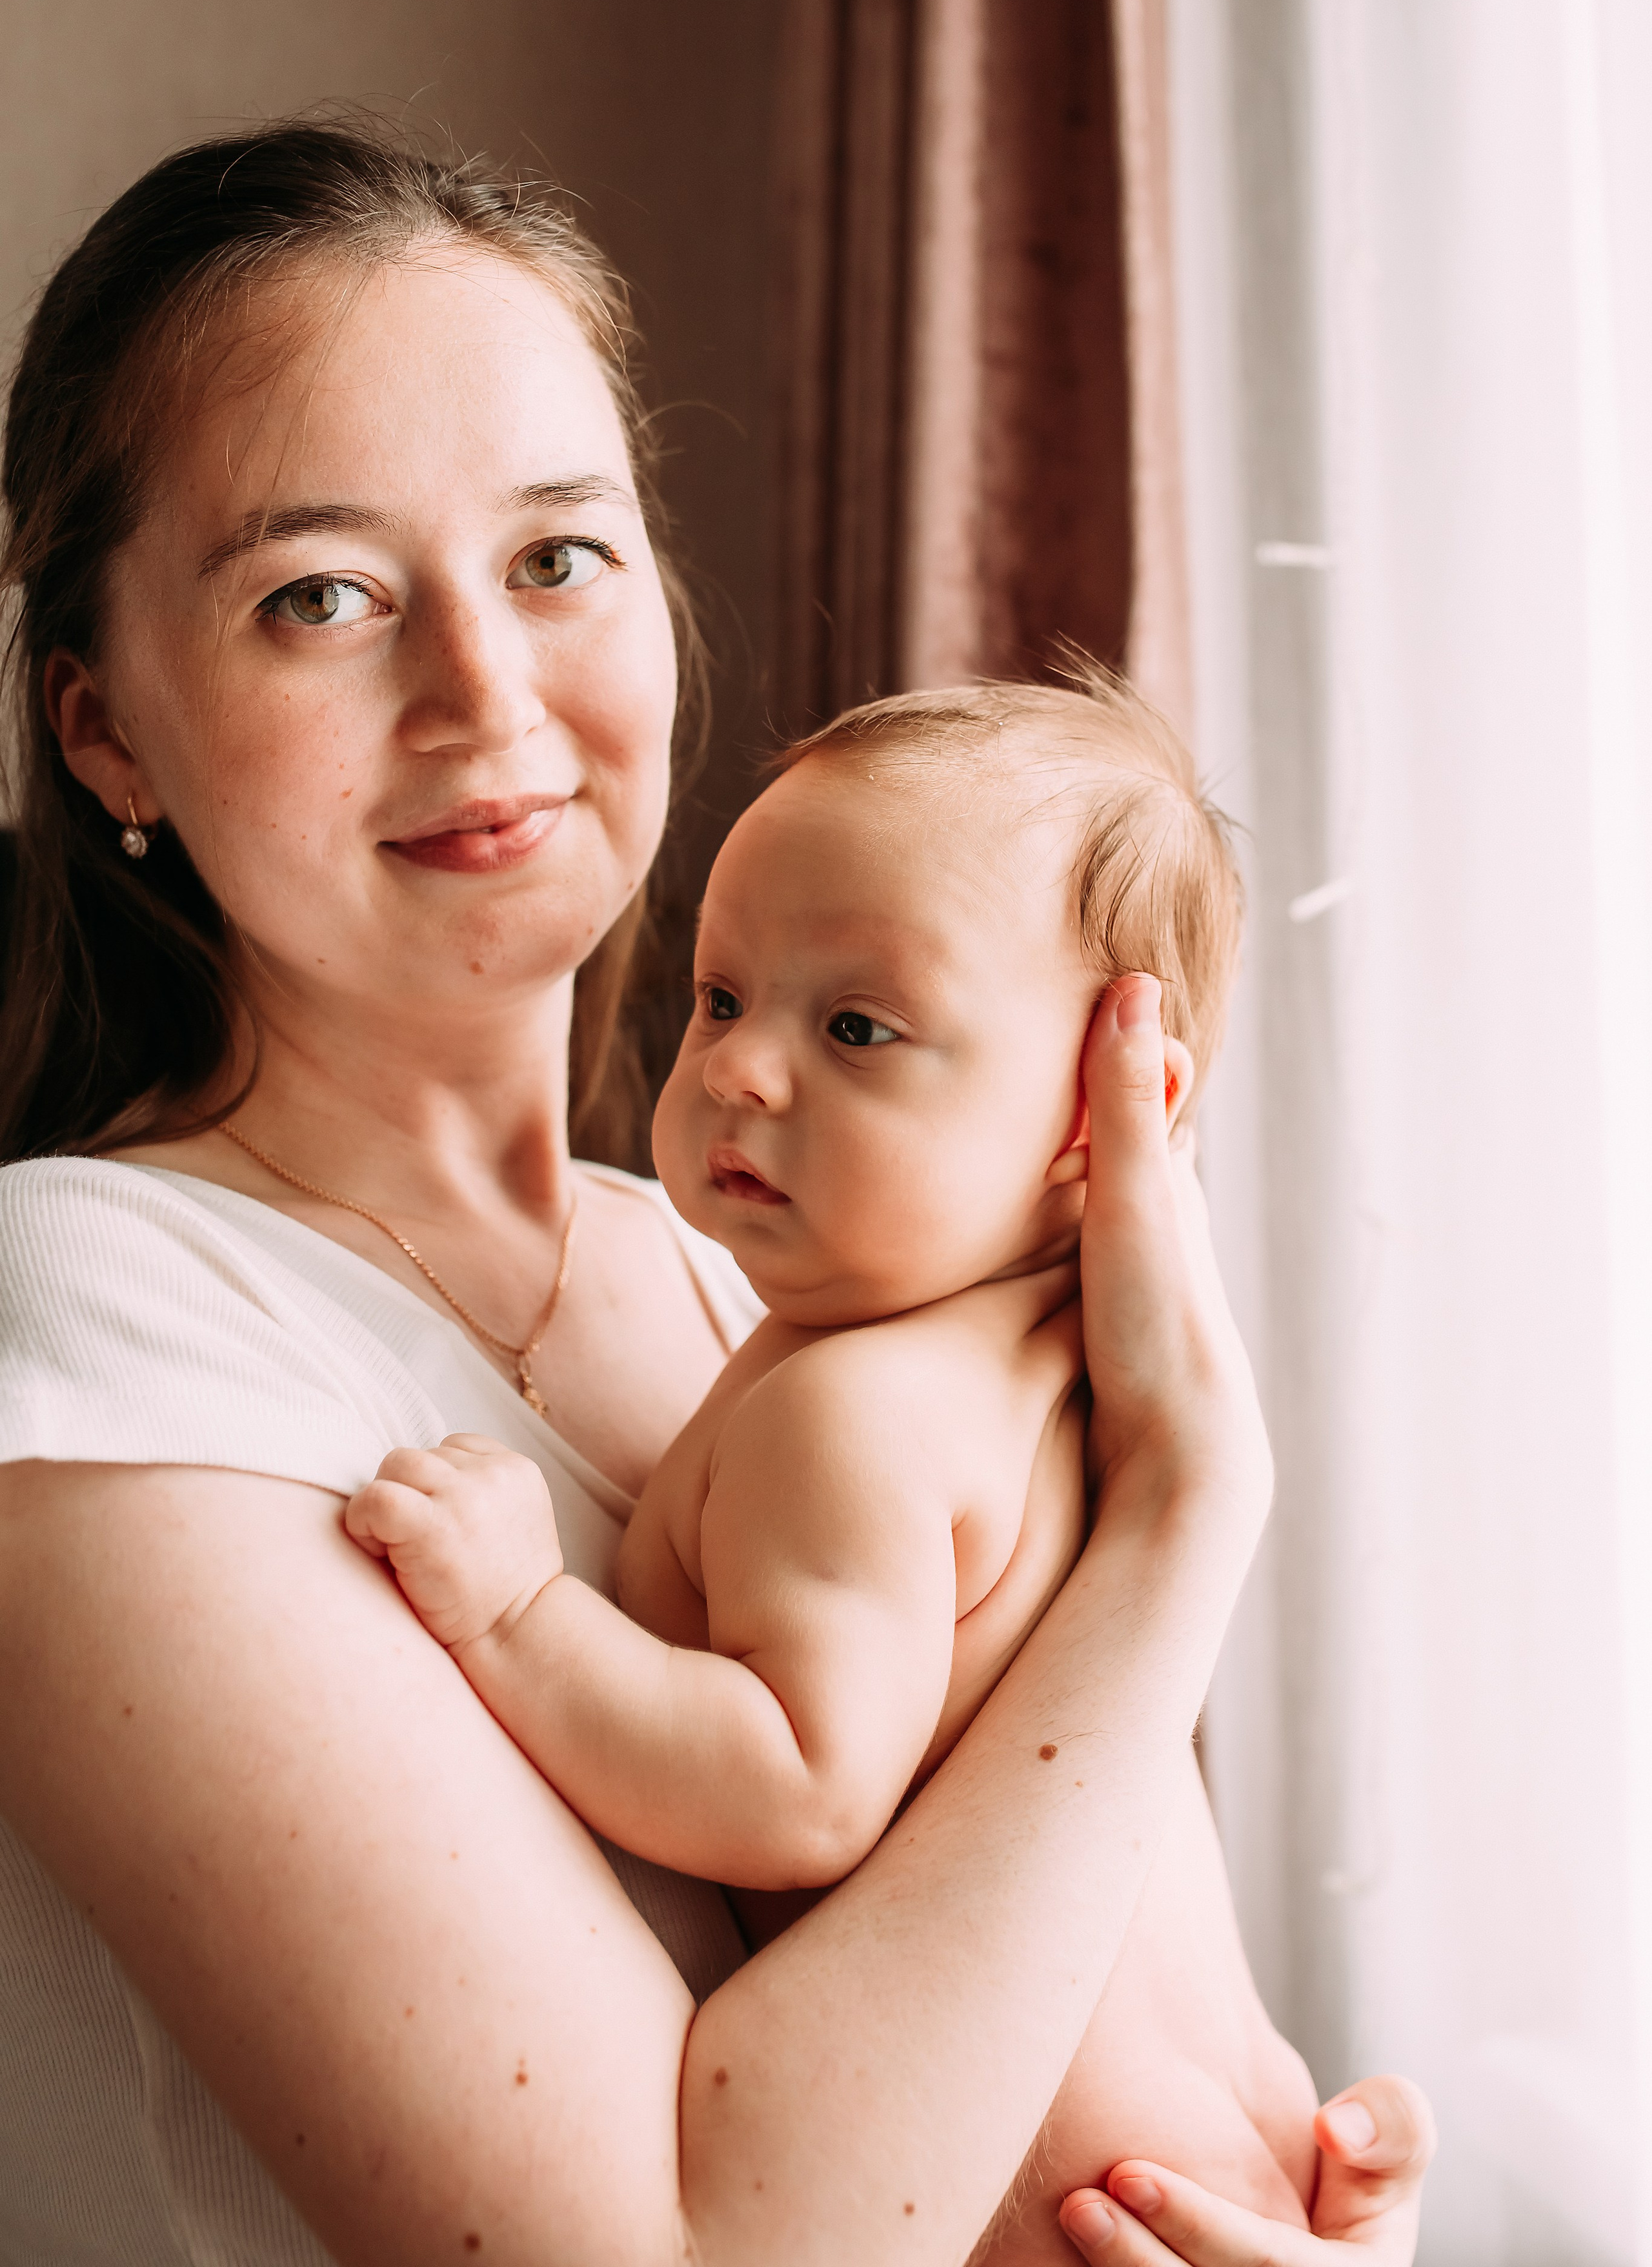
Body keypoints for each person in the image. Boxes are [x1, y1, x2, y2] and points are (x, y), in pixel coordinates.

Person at [0, 118, 1433, 2267]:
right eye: (323, 597)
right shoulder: (100, 1319)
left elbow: (1065, 1995)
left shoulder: (779, 1271)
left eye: (559, 558)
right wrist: (1184, 1520)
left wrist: (1297, 2221)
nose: (488, 700)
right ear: (106, 732)